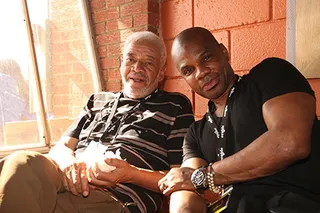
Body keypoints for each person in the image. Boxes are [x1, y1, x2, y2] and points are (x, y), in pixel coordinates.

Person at [0, 31, 195, 213]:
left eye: (148, 63)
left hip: (114, 195)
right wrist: (69, 163)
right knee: (21, 163)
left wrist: (130, 174)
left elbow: (180, 177)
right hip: (67, 177)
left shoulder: (174, 105)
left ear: (161, 73)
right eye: (131, 59)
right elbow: (61, 147)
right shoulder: (97, 100)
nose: (137, 68)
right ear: (121, 64)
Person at [158, 27, 320, 213]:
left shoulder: (269, 75)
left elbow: (290, 143)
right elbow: (186, 186)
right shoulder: (195, 133)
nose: (201, 72)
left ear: (224, 52)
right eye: (188, 70)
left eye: (206, 58)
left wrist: (206, 176)